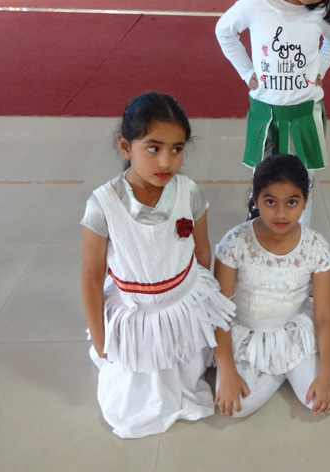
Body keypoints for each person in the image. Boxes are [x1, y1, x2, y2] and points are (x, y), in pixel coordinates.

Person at [80, 92, 235, 438]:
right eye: (153, 148)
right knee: (132, 402)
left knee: (186, 370)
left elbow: (202, 251)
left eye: (177, 149)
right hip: (137, 313)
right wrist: (102, 340)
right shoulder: (103, 205)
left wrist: (204, 308)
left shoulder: (189, 192)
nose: (166, 161)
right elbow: (91, 278)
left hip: (182, 303)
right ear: (125, 146)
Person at [213, 154, 330, 417]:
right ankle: (283, 368)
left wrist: (326, 377)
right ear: (255, 199)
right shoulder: (234, 242)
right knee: (236, 408)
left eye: (292, 202)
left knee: (325, 401)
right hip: (246, 333)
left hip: (293, 330)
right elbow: (220, 312)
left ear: (305, 201)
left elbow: (324, 317)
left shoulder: (316, 248)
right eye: (270, 202)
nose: (281, 214)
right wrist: (226, 374)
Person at [215, 0, 330, 226]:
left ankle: (300, 236)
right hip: (267, 113)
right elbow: (224, 31)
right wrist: (247, 72)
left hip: (305, 115)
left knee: (303, 182)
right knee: (265, 179)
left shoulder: (321, 13)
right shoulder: (254, 4)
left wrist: (320, 69)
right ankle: (260, 227)